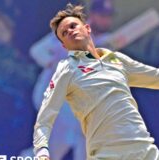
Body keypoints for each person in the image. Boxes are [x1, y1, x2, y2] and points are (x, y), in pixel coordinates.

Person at [33, 3, 159, 160]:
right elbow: (45, 115)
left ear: (87, 28)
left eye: (73, 27)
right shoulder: (64, 70)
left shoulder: (115, 59)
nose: (70, 33)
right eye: (64, 33)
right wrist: (41, 150)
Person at [20, 1, 116, 160]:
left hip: (73, 102)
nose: (106, 21)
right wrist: (51, 61)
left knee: (60, 150)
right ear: (93, 15)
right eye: (103, 16)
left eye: (109, 17)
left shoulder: (107, 42)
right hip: (52, 98)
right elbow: (37, 50)